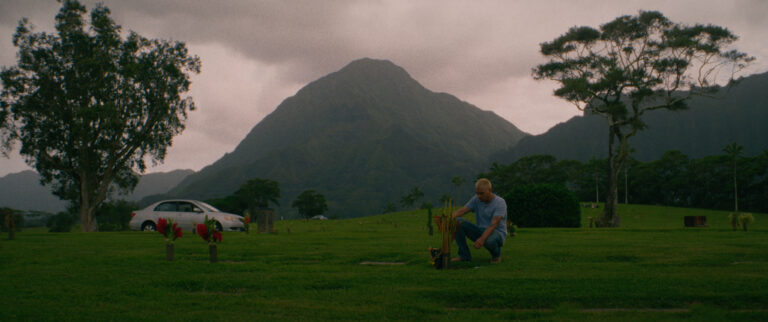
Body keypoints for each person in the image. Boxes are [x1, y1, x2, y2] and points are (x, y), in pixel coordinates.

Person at [451, 178, 507, 263]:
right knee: (458, 222)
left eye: (481, 193)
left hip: (496, 233)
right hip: (481, 230)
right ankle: (464, 255)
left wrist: (482, 239)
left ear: (490, 190)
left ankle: (496, 256)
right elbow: (462, 210)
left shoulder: (500, 202)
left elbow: (493, 225)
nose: (479, 196)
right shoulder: (476, 199)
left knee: (489, 241)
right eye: (477, 193)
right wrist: (447, 218)